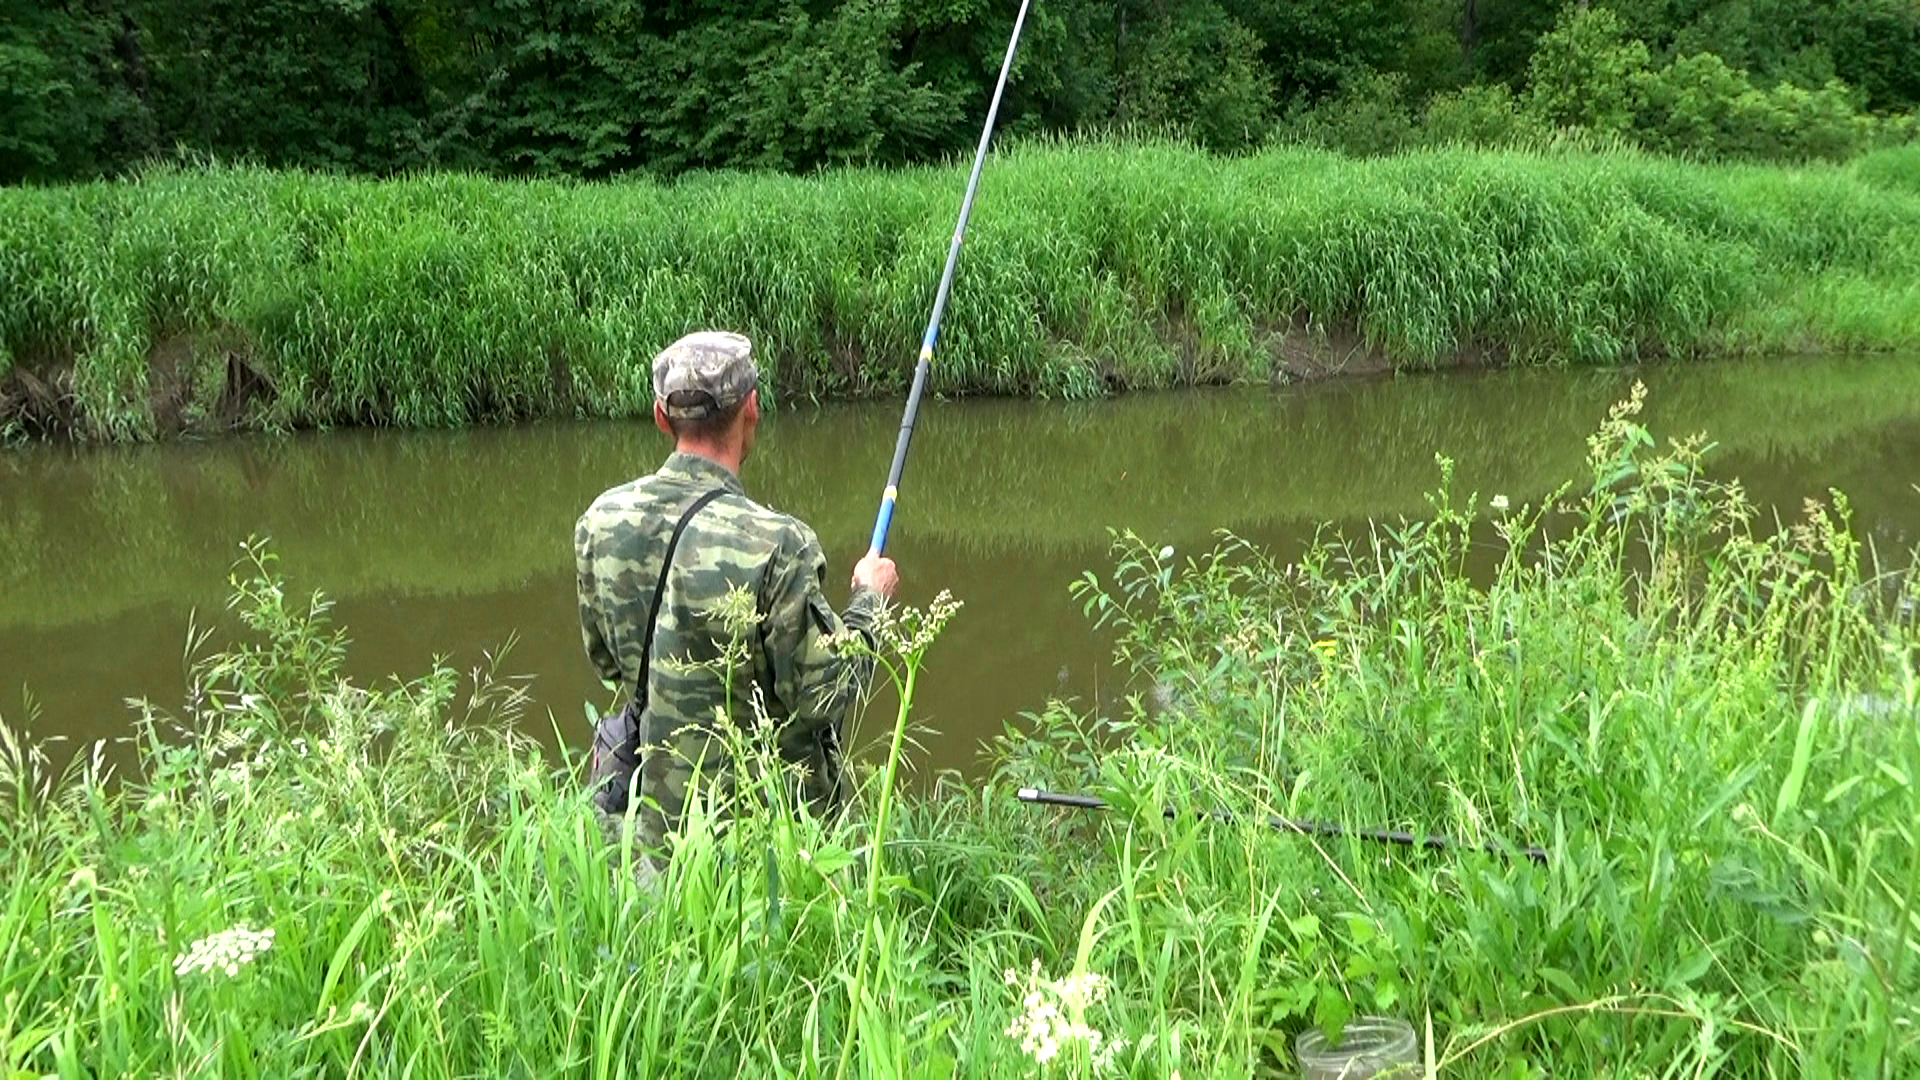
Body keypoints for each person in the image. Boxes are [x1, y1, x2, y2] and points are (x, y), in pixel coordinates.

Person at [574, 329, 899, 880]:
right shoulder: (779, 543)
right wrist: (870, 601)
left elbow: (608, 663)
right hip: (767, 849)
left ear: (661, 417)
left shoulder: (601, 521)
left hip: (653, 832)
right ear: (752, 408)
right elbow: (826, 694)